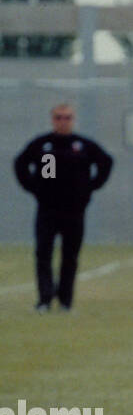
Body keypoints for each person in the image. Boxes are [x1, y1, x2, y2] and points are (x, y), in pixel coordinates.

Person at [13, 103, 114, 312]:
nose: (63, 121)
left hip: (74, 211)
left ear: (73, 120)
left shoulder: (82, 145)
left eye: (67, 117)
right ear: (52, 119)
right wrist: (33, 187)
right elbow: (20, 163)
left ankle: (66, 301)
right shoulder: (43, 145)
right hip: (47, 210)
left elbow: (106, 161)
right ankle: (44, 300)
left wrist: (91, 187)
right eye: (58, 117)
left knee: (70, 256)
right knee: (43, 254)